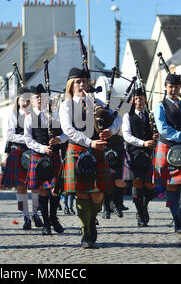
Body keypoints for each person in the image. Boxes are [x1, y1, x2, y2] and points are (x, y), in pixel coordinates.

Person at [59, 68, 119, 248]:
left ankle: (92, 220)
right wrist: (89, 142)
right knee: (82, 193)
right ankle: (86, 229)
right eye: (77, 82)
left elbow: (119, 117)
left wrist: (112, 130)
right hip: (77, 150)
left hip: (97, 150)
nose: (81, 84)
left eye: (84, 81)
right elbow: (68, 130)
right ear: (71, 85)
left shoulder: (97, 102)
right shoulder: (66, 105)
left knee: (98, 192)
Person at [152, 73, 181, 233]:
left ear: (180, 88)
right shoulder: (160, 106)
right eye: (170, 86)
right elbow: (163, 129)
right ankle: (177, 220)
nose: (173, 89)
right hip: (168, 148)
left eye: (176, 87)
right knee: (171, 186)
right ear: (165, 87)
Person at [25, 84, 68, 236]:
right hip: (39, 157)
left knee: (55, 190)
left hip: (55, 156)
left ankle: (54, 217)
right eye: (37, 97)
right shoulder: (29, 118)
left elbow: (66, 134)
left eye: (42, 97)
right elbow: (28, 140)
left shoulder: (55, 115)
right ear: (32, 100)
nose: (40, 100)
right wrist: (43, 148)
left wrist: (59, 139)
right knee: (43, 191)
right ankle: (46, 224)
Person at [2, 87, 43, 230]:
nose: (25, 102)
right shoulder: (13, 115)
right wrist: (28, 139)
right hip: (18, 151)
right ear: (18, 100)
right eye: (22, 99)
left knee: (36, 185)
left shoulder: (36, 114)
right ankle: (26, 216)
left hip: (34, 151)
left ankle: (35, 213)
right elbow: (10, 135)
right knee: (21, 186)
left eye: (28, 99)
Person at [122, 87, 158, 227]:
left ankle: (144, 205)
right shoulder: (127, 116)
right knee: (137, 183)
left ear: (145, 100)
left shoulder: (150, 116)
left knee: (150, 185)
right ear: (133, 101)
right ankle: (140, 213)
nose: (139, 101)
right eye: (137, 99)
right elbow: (127, 136)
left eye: (141, 99)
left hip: (149, 153)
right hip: (134, 152)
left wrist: (156, 136)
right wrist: (144, 143)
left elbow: (155, 131)